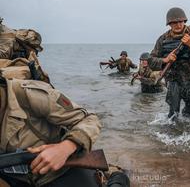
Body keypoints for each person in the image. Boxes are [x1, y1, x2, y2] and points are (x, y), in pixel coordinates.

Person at [0, 77, 129, 187]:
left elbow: (90, 119)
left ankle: (114, 174)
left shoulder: (26, 94)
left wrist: (66, 147)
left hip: (58, 172)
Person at [149, 7, 190, 118]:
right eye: (174, 23)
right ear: (169, 24)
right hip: (174, 79)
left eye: (180, 22)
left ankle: (187, 122)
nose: (178, 25)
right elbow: (151, 61)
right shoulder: (162, 39)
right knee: (173, 114)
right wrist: (165, 60)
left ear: (184, 21)